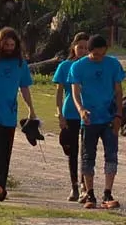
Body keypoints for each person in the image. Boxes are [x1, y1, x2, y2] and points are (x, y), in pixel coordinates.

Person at [0, 26, 38, 203]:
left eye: (12, 45)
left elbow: (24, 87)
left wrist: (31, 109)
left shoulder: (20, 64)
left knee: (6, 150)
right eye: (6, 44)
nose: (9, 48)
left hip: (10, 112)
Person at [70, 32, 126, 209]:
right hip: (89, 119)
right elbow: (75, 92)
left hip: (109, 117)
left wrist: (119, 115)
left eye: (102, 53)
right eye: (96, 54)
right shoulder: (78, 67)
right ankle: (90, 193)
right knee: (88, 156)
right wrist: (80, 110)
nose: (99, 57)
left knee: (111, 155)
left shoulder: (113, 64)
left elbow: (118, 91)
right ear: (89, 50)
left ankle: (108, 192)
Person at [51, 32, 92, 202]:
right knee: (72, 150)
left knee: (86, 150)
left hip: (88, 112)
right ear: (73, 47)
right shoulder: (65, 66)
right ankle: (74, 185)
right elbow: (60, 92)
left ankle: (85, 186)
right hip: (70, 112)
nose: (82, 50)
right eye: (79, 47)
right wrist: (60, 113)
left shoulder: (92, 65)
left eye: (85, 47)